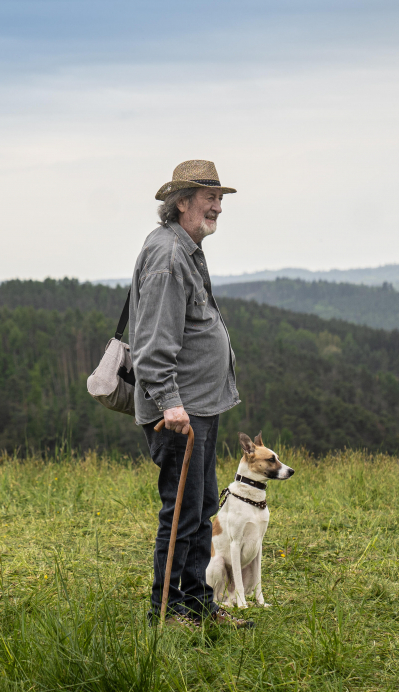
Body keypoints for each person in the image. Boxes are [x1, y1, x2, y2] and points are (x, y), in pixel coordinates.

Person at [130, 160, 252, 629]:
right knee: (181, 512)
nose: (218, 207)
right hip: (179, 410)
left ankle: (198, 604)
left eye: (220, 198)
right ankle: (166, 612)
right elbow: (155, 340)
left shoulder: (185, 248)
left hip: (198, 404)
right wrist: (169, 401)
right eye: (209, 198)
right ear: (181, 202)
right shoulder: (167, 255)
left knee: (201, 510)